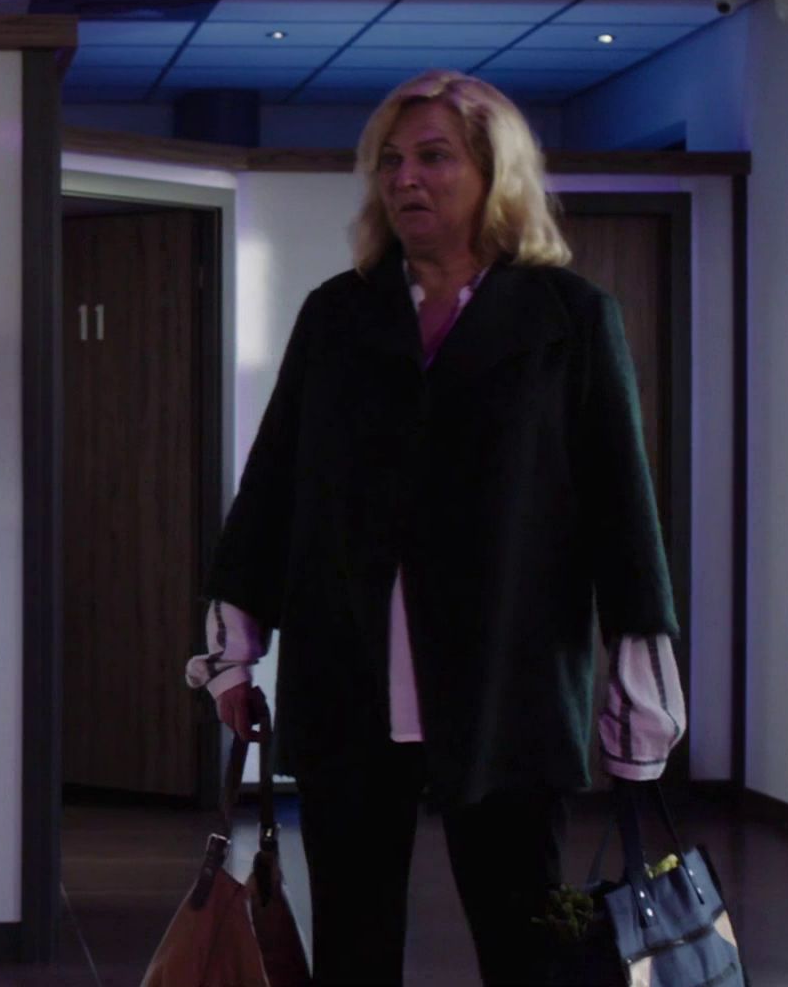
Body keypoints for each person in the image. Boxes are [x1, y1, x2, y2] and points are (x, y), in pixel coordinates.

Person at [186, 70, 687, 986]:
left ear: (496, 173)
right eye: (390, 161)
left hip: (509, 688)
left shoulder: (570, 318)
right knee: (353, 947)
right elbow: (275, 484)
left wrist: (640, 688)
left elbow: (623, 509)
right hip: (349, 684)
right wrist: (232, 652)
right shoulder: (338, 313)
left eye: (433, 157)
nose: (405, 178)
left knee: (526, 945)